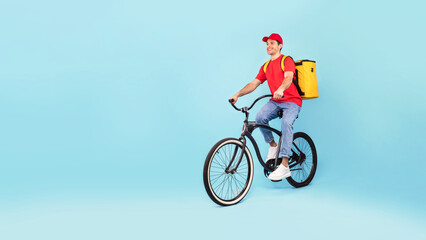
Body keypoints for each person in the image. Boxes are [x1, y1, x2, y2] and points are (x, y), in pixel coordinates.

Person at [229, 33, 302, 181]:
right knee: (260, 118)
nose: (269, 46)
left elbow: (288, 77)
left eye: (272, 43)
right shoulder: (266, 66)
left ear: (280, 45)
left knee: (286, 123)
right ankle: (273, 145)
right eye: (267, 44)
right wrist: (238, 94)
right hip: (276, 102)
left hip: (292, 101)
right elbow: (253, 84)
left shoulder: (286, 60)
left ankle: (285, 165)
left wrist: (281, 89)